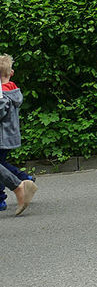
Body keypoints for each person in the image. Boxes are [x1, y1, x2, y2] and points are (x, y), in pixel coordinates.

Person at [0, 54, 34, 211]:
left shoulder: (3, 94)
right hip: (10, 136)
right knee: (2, 165)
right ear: (11, 73)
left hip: (2, 136)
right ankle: (24, 178)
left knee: (1, 167)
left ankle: (2, 199)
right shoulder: (14, 90)